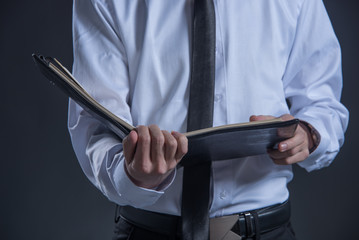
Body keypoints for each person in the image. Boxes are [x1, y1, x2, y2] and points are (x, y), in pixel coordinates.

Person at [68, 0, 349, 239]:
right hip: (148, 230)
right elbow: (96, 124)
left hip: (267, 230)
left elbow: (322, 103)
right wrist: (132, 174)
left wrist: (308, 134)